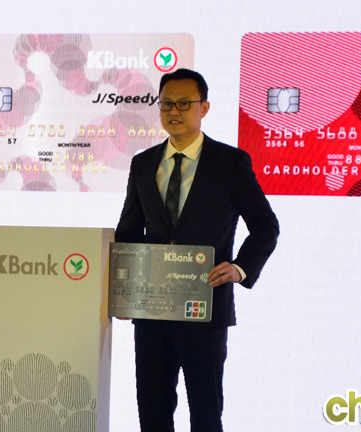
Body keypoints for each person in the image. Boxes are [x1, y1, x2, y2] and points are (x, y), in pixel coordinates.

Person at [115, 69, 279, 432]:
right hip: (152, 313)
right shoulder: (143, 164)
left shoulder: (230, 162)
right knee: (153, 415)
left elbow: (266, 225)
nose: (174, 111)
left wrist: (240, 268)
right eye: (166, 104)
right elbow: (128, 232)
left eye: (184, 103)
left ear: (203, 108)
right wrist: (124, 295)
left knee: (206, 415)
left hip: (205, 309)